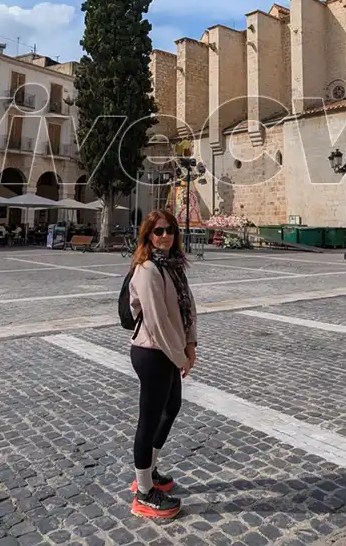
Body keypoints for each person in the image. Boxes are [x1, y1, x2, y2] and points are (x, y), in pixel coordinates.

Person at [127, 208, 198, 521]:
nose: (165, 235)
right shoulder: (147, 269)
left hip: (171, 350)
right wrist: (181, 355)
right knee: (150, 417)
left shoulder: (174, 266)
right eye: (158, 231)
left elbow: (187, 308)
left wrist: (191, 344)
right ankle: (143, 492)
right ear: (147, 235)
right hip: (152, 352)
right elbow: (156, 321)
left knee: (173, 406)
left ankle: (150, 470)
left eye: (169, 230)